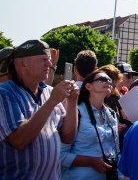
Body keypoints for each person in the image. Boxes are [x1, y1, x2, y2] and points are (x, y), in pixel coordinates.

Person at [0, 39, 79, 179]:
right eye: (43, 60)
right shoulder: (5, 93)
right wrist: (52, 102)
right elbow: (19, 140)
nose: (50, 64)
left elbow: (67, 137)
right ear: (22, 63)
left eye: (49, 59)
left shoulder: (49, 91)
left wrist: (72, 102)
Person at [60, 71, 120, 180]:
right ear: (88, 86)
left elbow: (116, 151)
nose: (108, 82)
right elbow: (61, 156)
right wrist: (91, 162)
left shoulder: (111, 114)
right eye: (102, 79)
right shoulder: (77, 113)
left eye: (110, 81)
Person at [99, 64, 133, 148]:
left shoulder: (115, 96)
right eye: (111, 86)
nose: (112, 89)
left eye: (114, 86)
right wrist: (114, 128)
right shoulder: (94, 100)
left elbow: (125, 115)